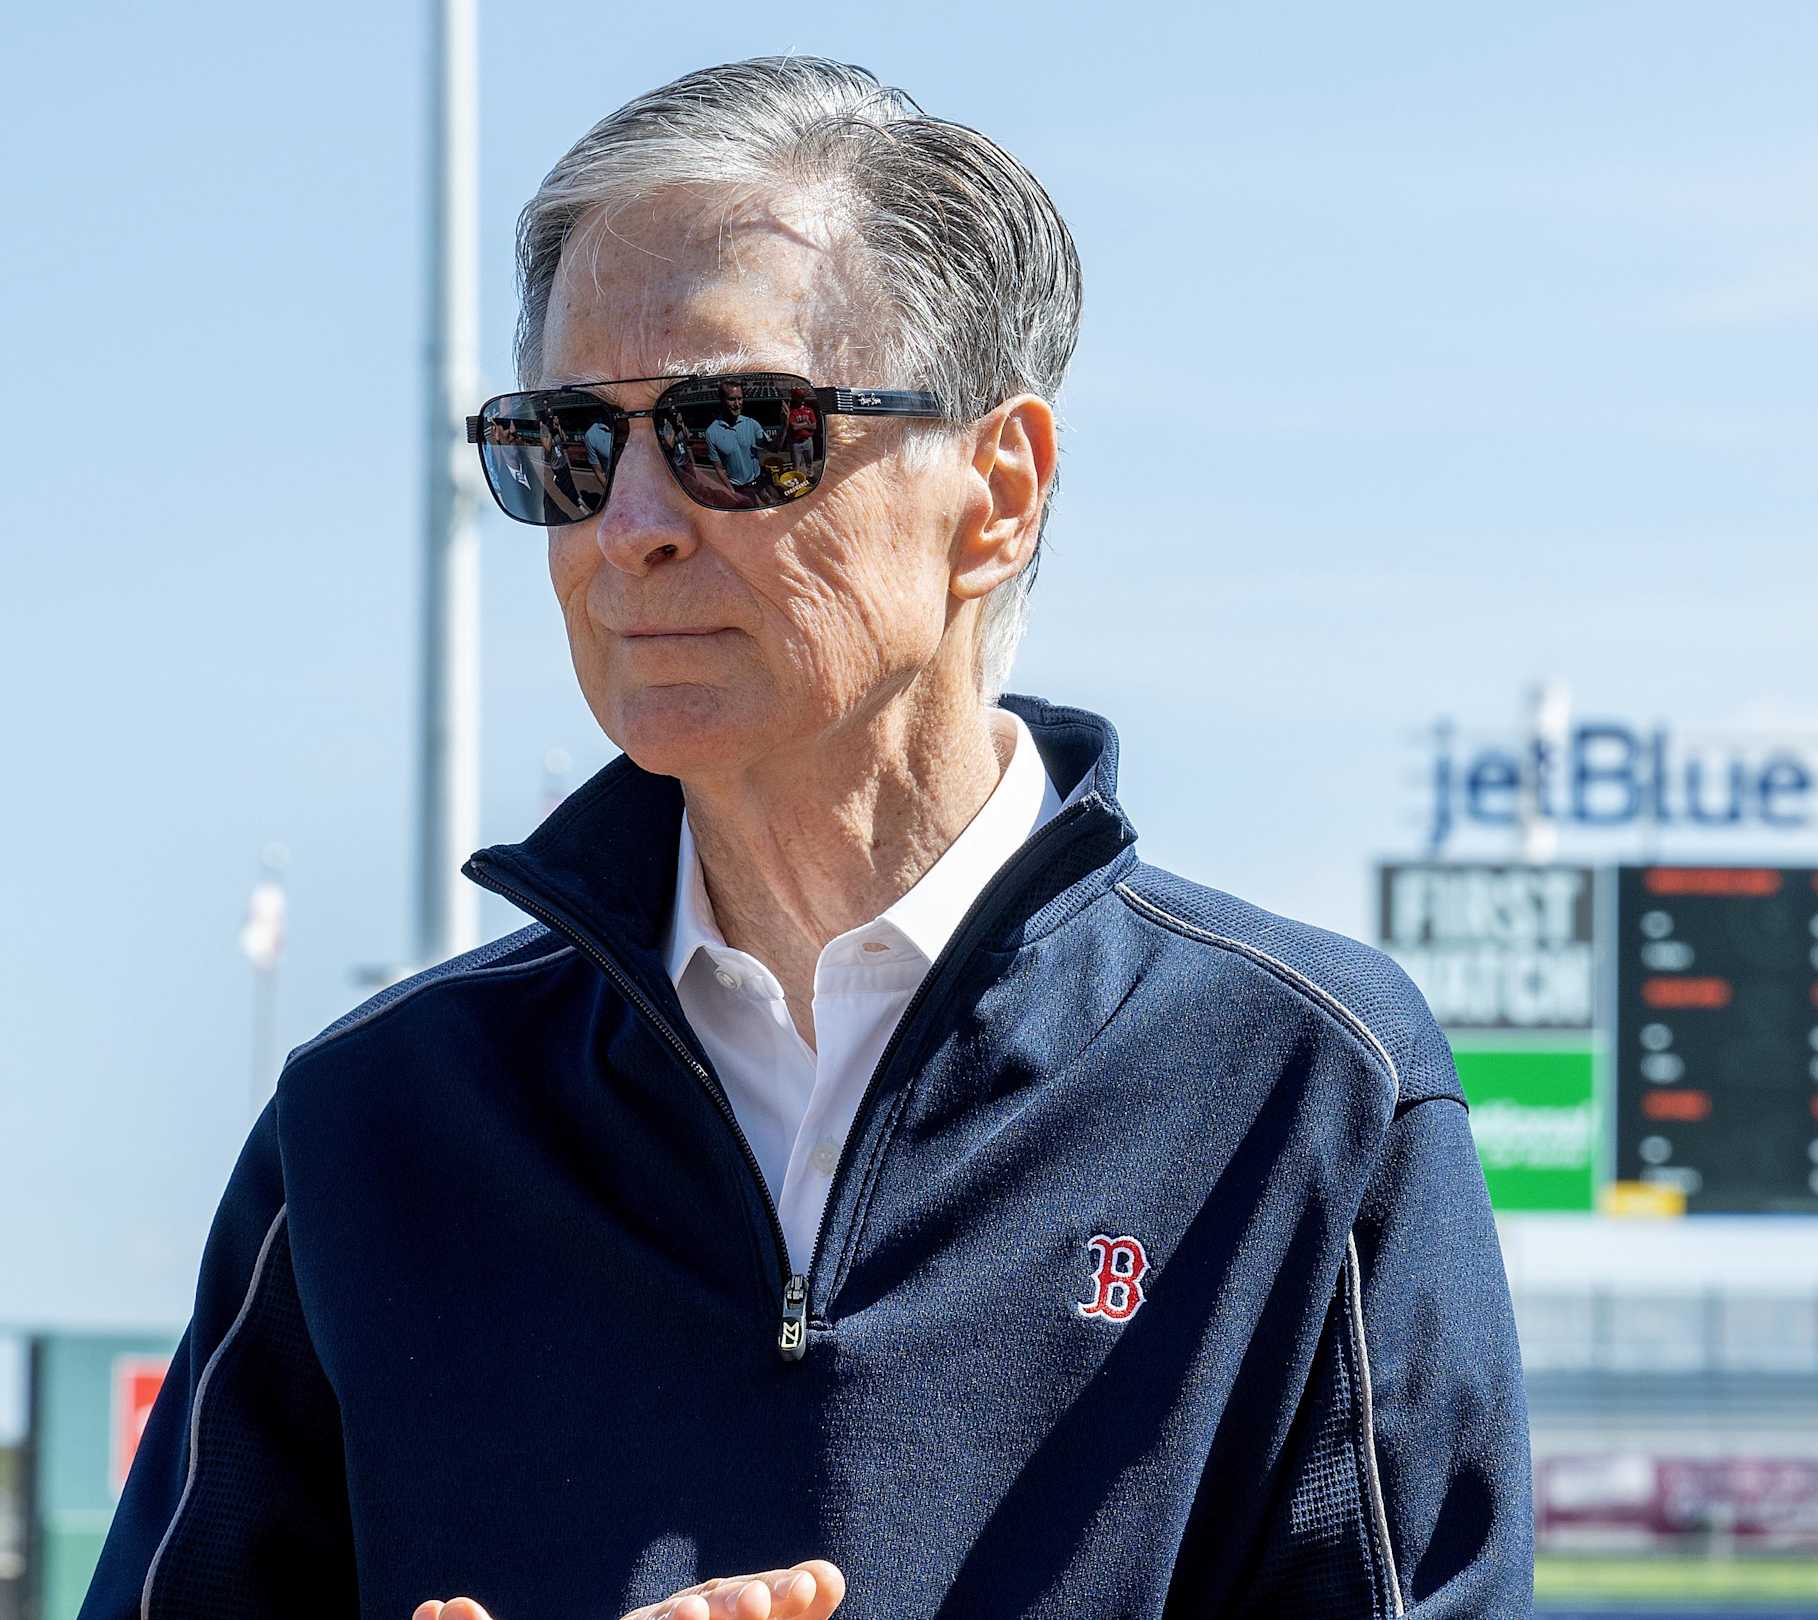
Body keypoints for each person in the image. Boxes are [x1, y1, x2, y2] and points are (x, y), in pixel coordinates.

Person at [86, 55, 1531, 1620]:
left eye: (735, 431)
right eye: (570, 443)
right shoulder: (369, 1127)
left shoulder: (1306, 1089)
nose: (630, 521)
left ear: (997, 489)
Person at [700, 378, 770, 503]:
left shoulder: (751, 423)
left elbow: (773, 447)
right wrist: (731, 490)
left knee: (767, 499)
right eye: (732, 399)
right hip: (739, 488)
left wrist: (784, 427)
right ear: (722, 400)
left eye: (740, 398)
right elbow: (718, 468)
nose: (737, 404)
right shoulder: (711, 432)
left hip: (758, 478)